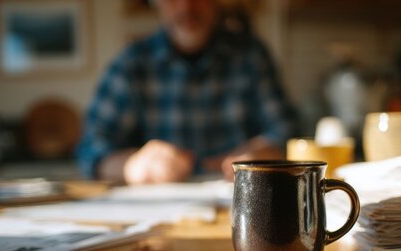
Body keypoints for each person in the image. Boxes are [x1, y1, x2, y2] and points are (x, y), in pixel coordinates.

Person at [77, 0, 296, 184]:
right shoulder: (131, 64)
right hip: (157, 211)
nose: (186, 7)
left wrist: (266, 150)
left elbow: (287, 130)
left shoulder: (251, 56)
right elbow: (91, 147)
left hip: (241, 202)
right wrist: (131, 165)